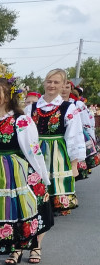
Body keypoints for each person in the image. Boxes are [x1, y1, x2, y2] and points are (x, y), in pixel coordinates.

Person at [0, 78, 49, 265]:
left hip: (11, 174)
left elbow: (33, 152)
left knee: (14, 212)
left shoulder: (21, 121)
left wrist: (42, 177)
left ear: (7, 97)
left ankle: (17, 246)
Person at [29, 69, 85, 217]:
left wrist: (74, 165)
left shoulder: (68, 108)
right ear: (44, 83)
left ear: (63, 85)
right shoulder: (31, 108)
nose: (52, 85)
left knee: (55, 188)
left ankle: (50, 213)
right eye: (49, 81)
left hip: (57, 153)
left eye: (56, 82)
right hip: (35, 152)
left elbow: (74, 137)